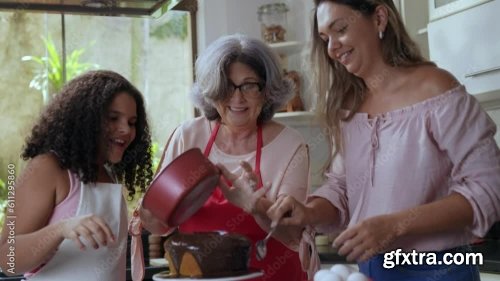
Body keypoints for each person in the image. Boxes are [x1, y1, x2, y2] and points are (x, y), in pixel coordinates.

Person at [264, 0, 500, 280]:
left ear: (378, 18)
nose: (332, 48)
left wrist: (396, 225)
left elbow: (489, 187)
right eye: (325, 39)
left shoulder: (436, 89)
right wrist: (308, 212)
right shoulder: (349, 106)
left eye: (340, 29)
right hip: (372, 269)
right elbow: (341, 188)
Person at [140, 34, 318, 280]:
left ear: (267, 91)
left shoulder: (289, 144)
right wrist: (153, 209)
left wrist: (256, 206)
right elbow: (157, 224)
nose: (237, 98)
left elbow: (293, 236)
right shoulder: (189, 136)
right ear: (211, 92)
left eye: (249, 85)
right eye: (226, 86)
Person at [0, 70, 153, 280]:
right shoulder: (48, 168)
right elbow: (7, 260)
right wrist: (61, 229)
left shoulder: (109, 175)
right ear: (86, 118)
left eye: (132, 122)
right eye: (113, 118)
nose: (126, 130)